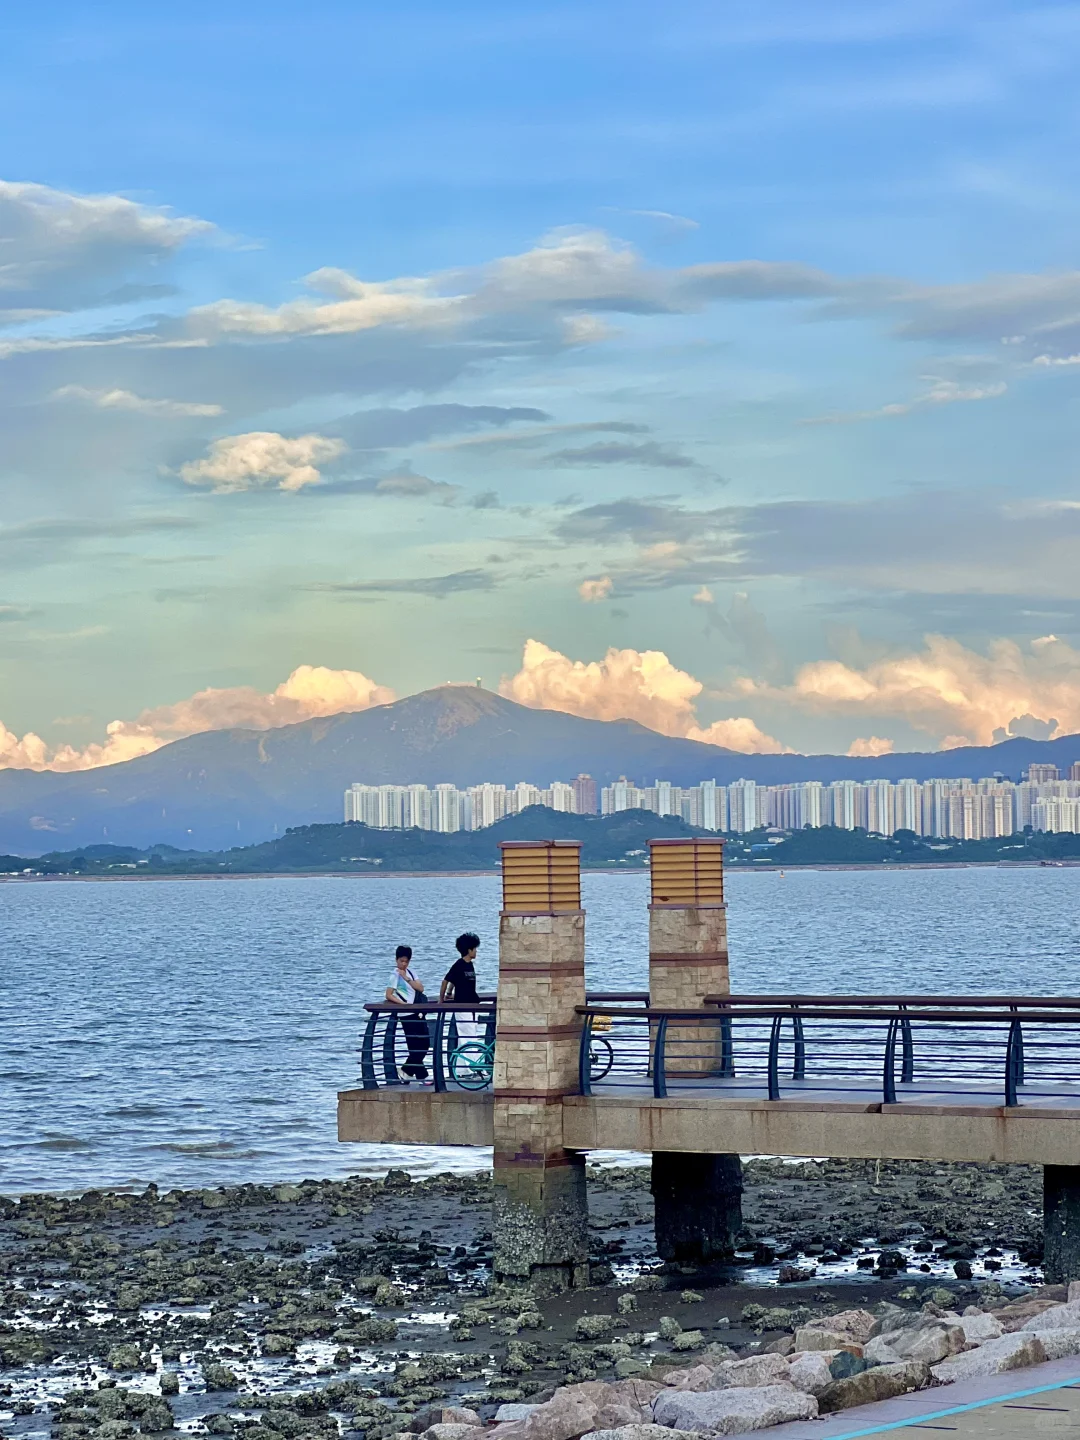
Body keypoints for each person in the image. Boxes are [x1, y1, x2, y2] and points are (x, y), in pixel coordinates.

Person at [385, 945, 430, 1082]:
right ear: (396, 960)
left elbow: (420, 988)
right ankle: (419, 1075)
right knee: (416, 1046)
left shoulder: (410, 973)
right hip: (406, 1014)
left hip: (417, 1012)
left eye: (406, 961)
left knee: (424, 1043)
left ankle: (407, 1071)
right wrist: (402, 1005)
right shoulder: (394, 975)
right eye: (401, 961)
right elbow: (389, 994)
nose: (403, 964)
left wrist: (406, 978)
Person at [441, 932, 482, 1044]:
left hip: (472, 1004)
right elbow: (446, 980)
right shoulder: (459, 965)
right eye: (474, 949)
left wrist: (449, 993)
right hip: (462, 1005)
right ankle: (470, 1055)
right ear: (469, 950)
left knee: (471, 1033)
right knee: (468, 1036)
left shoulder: (470, 965)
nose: (476, 951)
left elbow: (453, 981)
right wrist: (441, 999)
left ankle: (465, 1055)